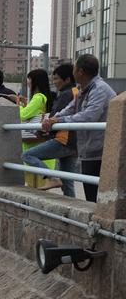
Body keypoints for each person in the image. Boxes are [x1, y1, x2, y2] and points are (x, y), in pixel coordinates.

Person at [42, 54, 116, 202]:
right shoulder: (83, 89)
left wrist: (58, 120)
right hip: (90, 149)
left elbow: (89, 116)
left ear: (80, 71)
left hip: (103, 151)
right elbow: (70, 109)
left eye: (74, 68)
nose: (73, 72)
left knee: (98, 197)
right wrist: (53, 119)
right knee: (90, 195)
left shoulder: (99, 89)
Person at [21, 64, 78, 196]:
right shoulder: (77, 92)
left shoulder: (65, 94)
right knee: (67, 182)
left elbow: (55, 115)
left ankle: (52, 178)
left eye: (57, 78)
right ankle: (70, 207)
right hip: (76, 141)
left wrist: (41, 132)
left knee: (27, 155)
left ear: (67, 79)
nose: (54, 82)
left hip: (64, 139)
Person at [15, 69, 56, 188]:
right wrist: (25, 105)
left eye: (29, 80)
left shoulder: (38, 97)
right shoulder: (45, 97)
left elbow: (22, 115)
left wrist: (17, 105)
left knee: (34, 186)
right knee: (41, 189)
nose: (28, 83)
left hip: (33, 145)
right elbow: (31, 113)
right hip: (41, 144)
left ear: (35, 81)